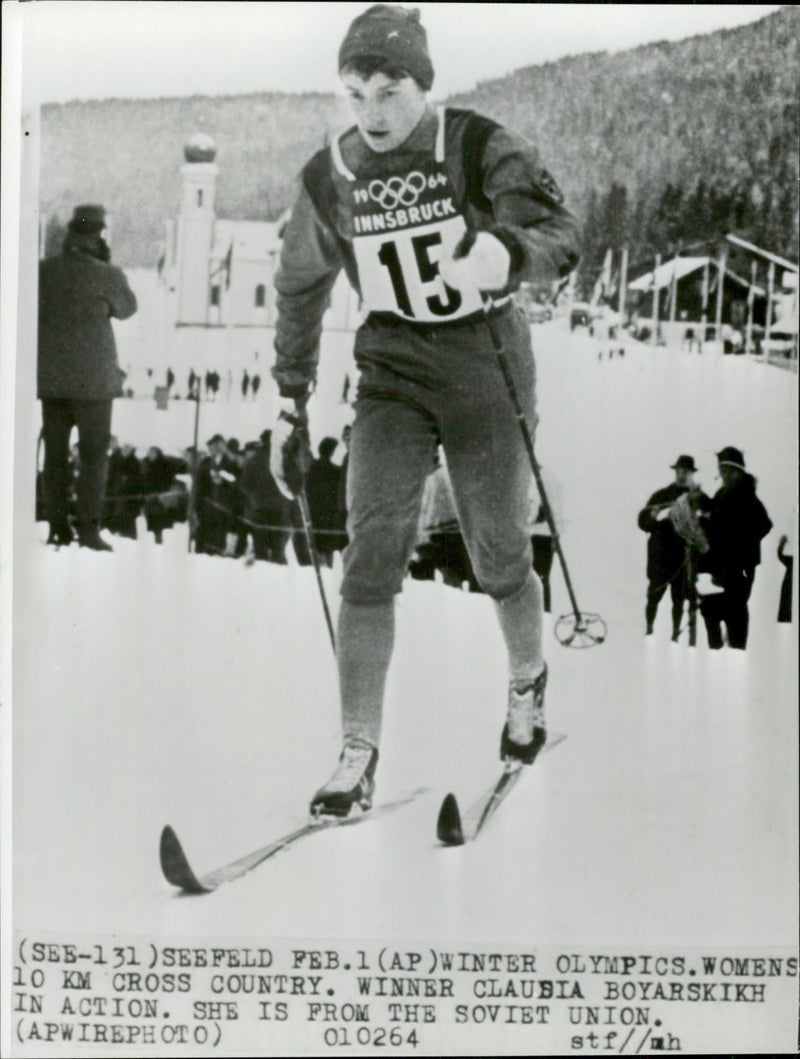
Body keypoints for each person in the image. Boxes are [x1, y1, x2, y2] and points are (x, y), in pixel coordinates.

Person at [268, 4, 580, 817]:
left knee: (499, 546)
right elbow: (301, 286)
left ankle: (526, 682)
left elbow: (559, 230)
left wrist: (506, 252)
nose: (372, 113)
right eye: (355, 92)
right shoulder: (330, 174)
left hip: (484, 362)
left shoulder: (473, 146)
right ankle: (356, 750)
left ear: (424, 86)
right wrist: (288, 400)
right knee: (371, 548)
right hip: (393, 370)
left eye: (390, 89)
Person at [38, 204, 137, 549]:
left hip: (50, 381)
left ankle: (56, 526)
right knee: (93, 456)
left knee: (55, 454)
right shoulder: (106, 274)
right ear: (99, 235)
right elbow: (127, 308)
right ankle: (89, 529)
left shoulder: (44, 271)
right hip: (94, 384)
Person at [697, 447, 772, 650]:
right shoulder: (723, 492)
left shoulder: (746, 494)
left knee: (735, 605)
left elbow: (765, 524)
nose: (724, 475)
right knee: (721, 605)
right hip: (723, 562)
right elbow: (716, 514)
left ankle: (736, 649)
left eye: (729, 471)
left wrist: (740, 542)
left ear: (738, 472)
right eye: (722, 470)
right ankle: (724, 648)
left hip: (741, 563)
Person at [637, 455, 700, 640]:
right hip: (661, 555)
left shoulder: (698, 498)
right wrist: (655, 520)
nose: (681, 476)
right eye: (679, 471)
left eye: (685, 472)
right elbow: (642, 521)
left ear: (691, 474)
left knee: (679, 599)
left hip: (683, 556)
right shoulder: (661, 495)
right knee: (653, 595)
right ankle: (649, 628)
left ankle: (675, 634)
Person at [529, 466, 564, 614]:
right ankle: (543, 613)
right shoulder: (550, 477)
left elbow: (532, 514)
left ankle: (542, 614)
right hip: (545, 536)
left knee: (537, 580)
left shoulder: (538, 478)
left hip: (537, 536)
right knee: (541, 580)